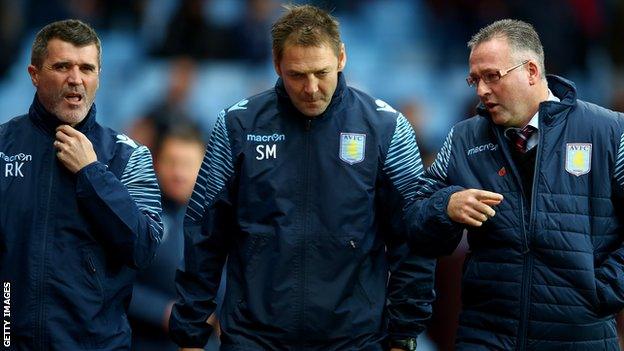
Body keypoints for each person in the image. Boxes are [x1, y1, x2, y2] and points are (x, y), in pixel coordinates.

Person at [169, 4, 435, 351]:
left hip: (354, 341)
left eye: (321, 72)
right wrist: (190, 335)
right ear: (277, 64)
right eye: (297, 75)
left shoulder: (387, 129)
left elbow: (412, 238)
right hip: (254, 339)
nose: (311, 88)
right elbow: (204, 235)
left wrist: (404, 335)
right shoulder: (236, 126)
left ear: (341, 58)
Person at [406, 19, 624, 350]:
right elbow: (414, 221)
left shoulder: (610, 132)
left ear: (532, 71)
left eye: (492, 76)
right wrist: (445, 205)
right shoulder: (463, 138)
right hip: (485, 335)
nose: (480, 90)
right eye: (474, 80)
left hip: (580, 337)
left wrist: (601, 292)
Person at [0, 19, 163, 349]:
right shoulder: (3, 147)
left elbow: (144, 248)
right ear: (34, 75)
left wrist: (91, 172)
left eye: (86, 68)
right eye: (62, 66)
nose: (75, 79)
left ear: (98, 77)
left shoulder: (128, 156)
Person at [128, 123, 213, 351]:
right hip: (145, 340)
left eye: (187, 164)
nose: (178, 173)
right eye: (171, 162)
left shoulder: (221, 218)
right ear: (155, 163)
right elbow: (116, 282)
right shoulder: (136, 214)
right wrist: (163, 311)